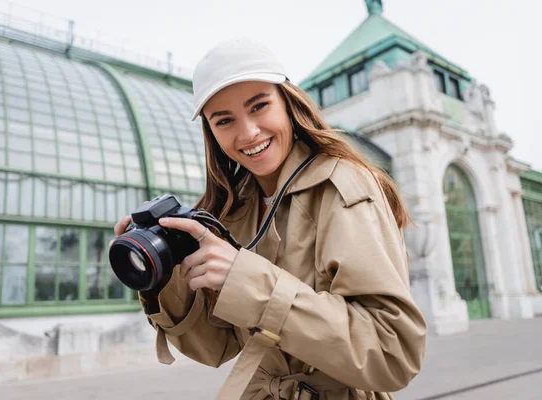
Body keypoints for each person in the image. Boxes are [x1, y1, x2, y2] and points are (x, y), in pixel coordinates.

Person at [111, 38, 427, 400]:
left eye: (259, 106)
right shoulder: (232, 211)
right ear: (211, 133)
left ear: (289, 102)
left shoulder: (343, 187)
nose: (248, 133)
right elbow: (218, 347)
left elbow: (393, 354)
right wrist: (165, 280)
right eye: (224, 120)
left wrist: (248, 280)